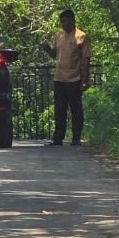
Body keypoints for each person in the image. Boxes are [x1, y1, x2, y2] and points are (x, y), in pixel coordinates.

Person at [40, 9, 91, 146]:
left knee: (76, 109)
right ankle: (58, 138)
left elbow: (86, 60)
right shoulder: (59, 36)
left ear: (73, 21)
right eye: (62, 22)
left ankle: (76, 137)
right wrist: (47, 49)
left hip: (74, 78)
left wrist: (85, 80)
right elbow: (55, 56)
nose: (64, 24)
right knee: (59, 109)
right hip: (59, 78)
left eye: (66, 21)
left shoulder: (81, 36)